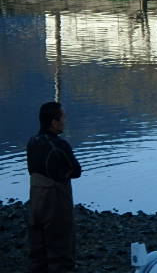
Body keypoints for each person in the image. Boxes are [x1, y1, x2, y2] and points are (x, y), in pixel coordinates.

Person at [27, 102, 82, 273]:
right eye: (62, 118)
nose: (65, 121)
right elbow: (76, 171)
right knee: (61, 252)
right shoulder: (60, 145)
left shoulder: (32, 142)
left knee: (37, 254)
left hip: (35, 201)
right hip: (56, 202)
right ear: (54, 122)